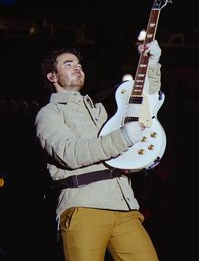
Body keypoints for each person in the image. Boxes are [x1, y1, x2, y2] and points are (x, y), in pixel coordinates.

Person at [35, 39, 162, 261]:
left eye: (79, 64)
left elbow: (145, 105)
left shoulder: (101, 110)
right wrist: (122, 138)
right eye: (68, 64)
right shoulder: (50, 113)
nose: (77, 67)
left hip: (125, 208)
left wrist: (152, 64)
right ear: (52, 76)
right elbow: (69, 153)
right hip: (83, 208)